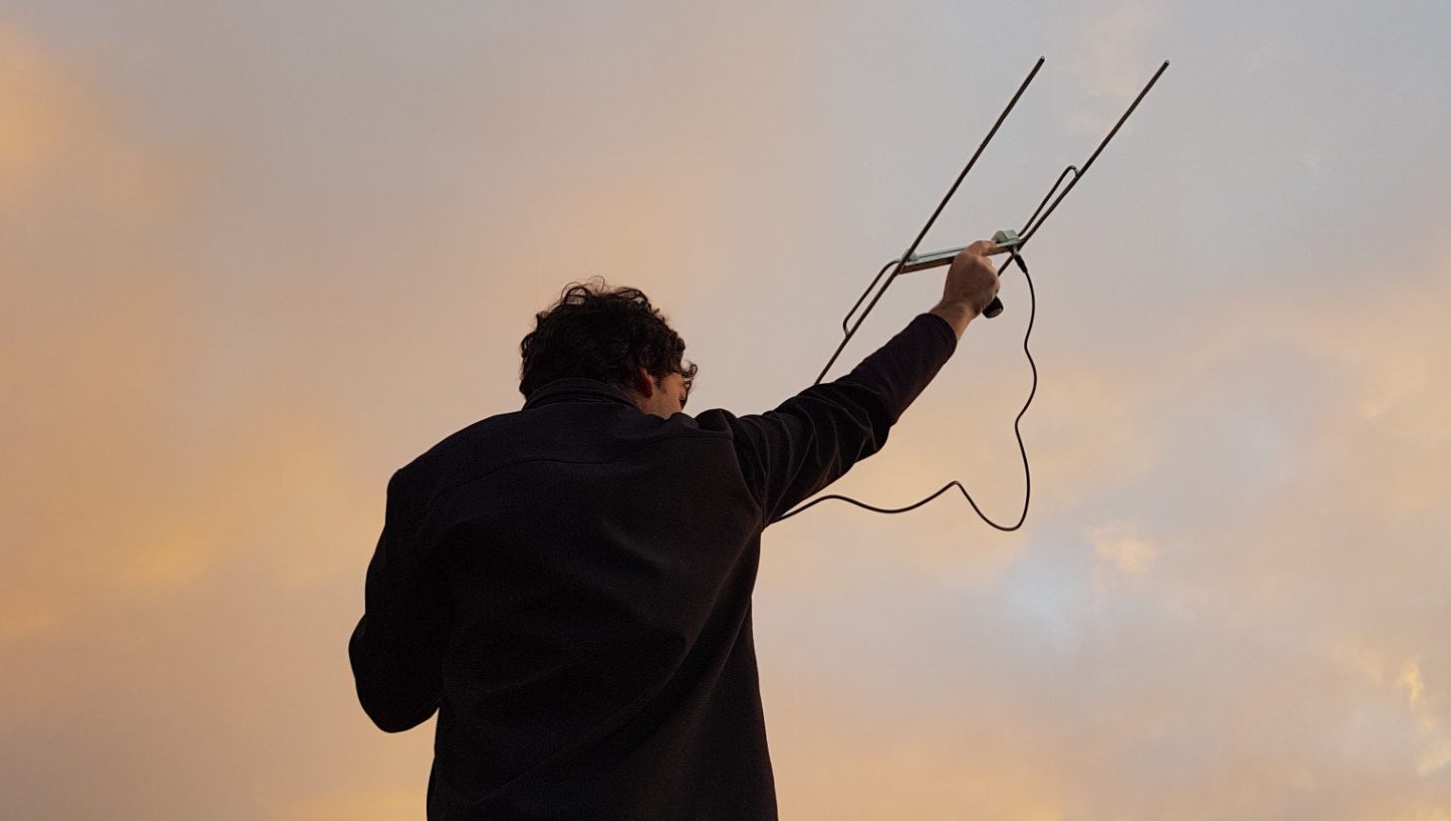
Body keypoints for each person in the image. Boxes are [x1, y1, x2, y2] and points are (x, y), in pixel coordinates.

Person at [349, 239, 1005, 819]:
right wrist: (958, 306)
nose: (678, 417)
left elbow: (392, 698)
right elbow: (859, 404)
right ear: (644, 375)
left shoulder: (434, 481)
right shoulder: (723, 460)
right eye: (676, 398)